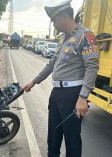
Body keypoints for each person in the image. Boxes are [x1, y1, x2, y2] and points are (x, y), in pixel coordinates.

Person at [22, 1, 99, 157]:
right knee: (53, 136)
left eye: (54, 21)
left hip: (72, 95)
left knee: (72, 140)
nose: (54, 25)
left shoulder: (85, 36)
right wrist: (34, 82)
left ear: (64, 16)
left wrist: (83, 97)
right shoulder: (64, 38)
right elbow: (51, 64)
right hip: (56, 93)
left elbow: (92, 68)